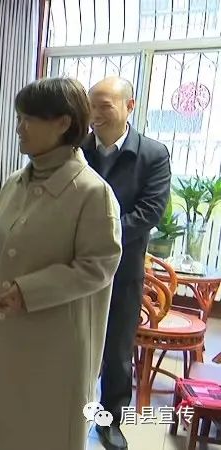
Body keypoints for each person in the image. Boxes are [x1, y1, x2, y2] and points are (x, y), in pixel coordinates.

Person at [0, 78, 123, 450]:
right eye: (18, 118)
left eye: (29, 119)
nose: (19, 128)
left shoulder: (93, 193)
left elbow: (98, 265)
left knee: (43, 431)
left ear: (63, 123)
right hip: (2, 333)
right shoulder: (14, 184)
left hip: (56, 342)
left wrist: (29, 291)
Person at [84, 76, 171, 450]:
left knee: (117, 351)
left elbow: (149, 212)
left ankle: (110, 421)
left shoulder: (152, 154)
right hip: (77, 266)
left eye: (105, 105)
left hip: (123, 268)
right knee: (73, 343)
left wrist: (100, 235)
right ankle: (67, 409)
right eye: (91, 106)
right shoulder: (76, 149)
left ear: (129, 106)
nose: (95, 114)